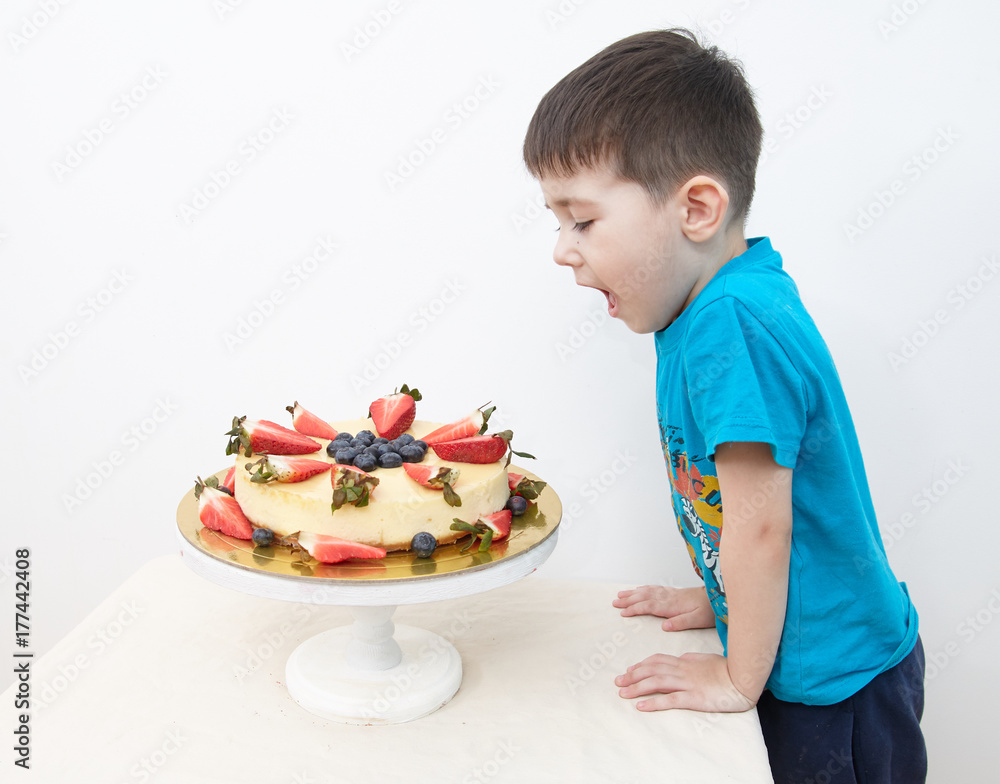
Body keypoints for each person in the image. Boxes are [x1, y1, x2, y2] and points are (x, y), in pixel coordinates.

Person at [522, 29, 926, 783]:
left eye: (583, 220)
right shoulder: (720, 304)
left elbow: (762, 526)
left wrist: (738, 677)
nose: (561, 249)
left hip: (834, 689)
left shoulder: (730, 328)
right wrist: (721, 598)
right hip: (807, 657)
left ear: (698, 209)